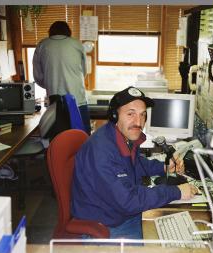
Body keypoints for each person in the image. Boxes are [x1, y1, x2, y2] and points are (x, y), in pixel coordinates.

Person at [71, 86, 199, 239]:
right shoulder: (102, 151)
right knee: (164, 250)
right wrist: (177, 192)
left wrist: (164, 167)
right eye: (130, 114)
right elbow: (129, 200)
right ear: (114, 116)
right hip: (104, 225)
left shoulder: (121, 137)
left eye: (143, 115)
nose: (138, 122)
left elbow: (135, 164)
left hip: (117, 213)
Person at [33, 20, 91, 135]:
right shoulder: (77, 44)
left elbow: (38, 76)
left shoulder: (42, 45)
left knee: (58, 140)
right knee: (83, 138)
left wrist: (50, 83)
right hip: (78, 100)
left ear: (50, 32)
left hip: (55, 102)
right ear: (68, 32)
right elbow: (84, 72)